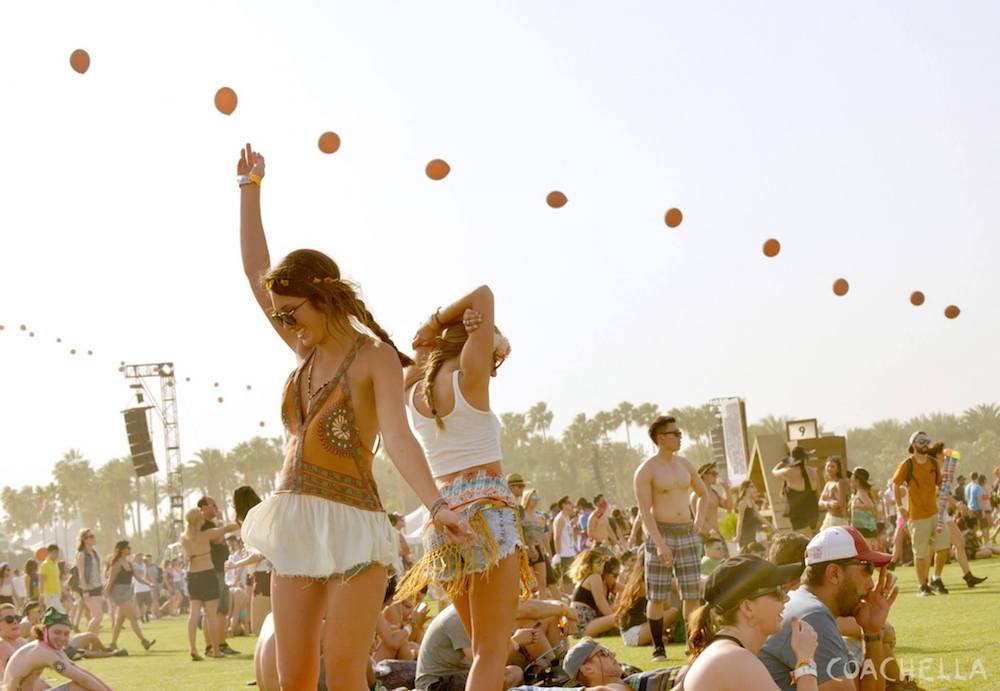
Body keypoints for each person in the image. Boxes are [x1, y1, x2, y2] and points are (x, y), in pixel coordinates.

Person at [236, 143, 469, 691]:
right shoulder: (303, 349)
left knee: (343, 675)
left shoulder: (374, 358)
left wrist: (436, 504)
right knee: (293, 679)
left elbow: (399, 436)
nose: (288, 325)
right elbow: (255, 271)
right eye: (283, 317)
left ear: (324, 299)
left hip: (356, 526)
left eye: (294, 312)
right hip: (295, 520)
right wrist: (249, 190)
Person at [397, 283, 533, 691]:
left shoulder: (411, 391)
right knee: (494, 650)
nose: (492, 367)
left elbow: (424, 350)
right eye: (494, 356)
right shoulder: (468, 377)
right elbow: (486, 293)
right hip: (487, 513)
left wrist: (437, 327)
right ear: (475, 345)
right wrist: (439, 322)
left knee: (482, 648)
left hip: (443, 520)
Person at [758, 526, 898, 690]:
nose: (871, 584)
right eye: (866, 569)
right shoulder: (813, 616)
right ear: (834, 574)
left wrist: (872, 632)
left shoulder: (812, 607)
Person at [634, 415, 709, 662]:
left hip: (686, 532)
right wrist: (659, 543)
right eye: (674, 433)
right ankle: (658, 648)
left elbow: (703, 493)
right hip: (660, 532)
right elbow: (644, 512)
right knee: (657, 595)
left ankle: (692, 644)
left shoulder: (685, 464)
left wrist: (698, 520)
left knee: (691, 593)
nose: (679, 437)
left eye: (679, 433)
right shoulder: (647, 470)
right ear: (660, 438)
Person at [680, 555, 815, 690]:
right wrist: (805, 661)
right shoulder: (735, 660)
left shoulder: (727, 652)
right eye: (777, 592)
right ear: (747, 608)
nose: (786, 598)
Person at [891, 433, 955, 595]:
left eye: (927, 441)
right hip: (917, 516)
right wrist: (899, 507)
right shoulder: (907, 464)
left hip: (935, 513)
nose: (926, 444)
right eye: (921, 441)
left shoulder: (933, 463)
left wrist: (949, 496)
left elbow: (941, 484)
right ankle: (921, 586)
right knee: (920, 553)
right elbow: (895, 483)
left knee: (944, 547)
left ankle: (935, 578)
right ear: (913, 445)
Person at [413, 604, 525, 691]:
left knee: (513, 672)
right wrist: (515, 641)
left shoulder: (464, 613)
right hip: (435, 684)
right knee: (512, 675)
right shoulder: (458, 618)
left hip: (449, 676)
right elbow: (483, 663)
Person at [1, 607, 112, 691]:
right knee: (77, 687)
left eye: (66, 633)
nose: (62, 638)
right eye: (57, 632)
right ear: (44, 631)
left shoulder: (49, 647)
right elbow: (83, 680)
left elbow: (80, 672)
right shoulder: (44, 651)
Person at [181, 508, 239, 660]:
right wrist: (242, 522)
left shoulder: (184, 538)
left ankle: (193, 649)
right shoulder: (205, 535)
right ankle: (216, 651)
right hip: (207, 575)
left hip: (192, 576)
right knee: (211, 615)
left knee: (193, 614)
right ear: (199, 520)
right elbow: (226, 529)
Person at [103, 540, 155, 652]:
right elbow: (110, 581)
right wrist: (105, 595)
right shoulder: (116, 564)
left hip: (127, 592)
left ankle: (112, 644)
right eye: (127, 548)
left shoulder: (130, 564)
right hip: (118, 593)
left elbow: (139, 578)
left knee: (119, 621)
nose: (129, 549)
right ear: (122, 550)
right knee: (133, 617)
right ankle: (144, 641)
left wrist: (149, 583)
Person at [568, 552, 620, 638]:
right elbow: (600, 602)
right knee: (618, 618)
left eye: (602, 562)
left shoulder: (583, 578)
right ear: (588, 565)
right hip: (584, 622)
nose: (601, 565)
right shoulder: (594, 577)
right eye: (598, 562)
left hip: (578, 624)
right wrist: (613, 619)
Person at [772, 448, 820, 537]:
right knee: (813, 538)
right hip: (813, 510)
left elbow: (774, 471)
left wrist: (783, 462)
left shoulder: (788, 472)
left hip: (798, 513)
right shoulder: (813, 471)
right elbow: (818, 492)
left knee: (806, 541)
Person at [692, 462, 733, 555]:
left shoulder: (714, 493)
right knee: (706, 566)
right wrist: (712, 532)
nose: (716, 476)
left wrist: (727, 489)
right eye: (713, 474)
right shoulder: (696, 494)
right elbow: (698, 518)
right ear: (704, 475)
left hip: (716, 534)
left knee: (725, 564)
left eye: (716, 474)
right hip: (703, 537)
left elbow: (729, 506)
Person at [521, 489, 553, 599]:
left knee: (542, 582)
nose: (536, 501)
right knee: (530, 585)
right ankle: (530, 605)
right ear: (527, 499)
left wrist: (549, 552)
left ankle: (542, 604)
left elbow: (544, 536)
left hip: (539, 549)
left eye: (537, 498)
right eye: (533, 498)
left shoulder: (540, 516)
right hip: (526, 550)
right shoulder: (521, 515)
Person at [74, 530, 104, 635]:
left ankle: (94, 644)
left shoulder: (94, 553)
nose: (93, 538)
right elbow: (81, 574)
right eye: (91, 536)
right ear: (84, 539)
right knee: (98, 616)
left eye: (93, 536)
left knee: (97, 618)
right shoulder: (81, 554)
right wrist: (85, 590)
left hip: (97, 587)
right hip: (88, 588)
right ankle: (85, 640)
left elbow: (97, 571)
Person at [849, 468, 884, 550]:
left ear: (858, 481)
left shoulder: (861, 492)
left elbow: (870, 505)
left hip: (864, 526)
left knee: (866, 546)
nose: (850, 480)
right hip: (859, 525)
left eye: (852, 478)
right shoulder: (857, 492)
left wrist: (856, 506)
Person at [736, 481, 774, 552]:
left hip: (752, 530)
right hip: (745, 532)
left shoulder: (751, 501)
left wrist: (771, 526)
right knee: (747, 553)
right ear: (745, 488)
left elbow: (758, 516)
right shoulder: (742, 502)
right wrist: (738, 535)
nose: (754, 488)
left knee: (754, 551)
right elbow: (739, 520)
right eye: (752, 486)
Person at [552, 497, 578, 595]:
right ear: (563, 505)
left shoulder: (566, 518)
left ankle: (568, 597)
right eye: (569, 503)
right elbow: (557, 537)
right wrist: (558, 554)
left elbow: (569, 536)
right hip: (564, 554)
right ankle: (568, 598)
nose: (571, 505)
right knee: (567, 580)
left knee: (571, 579)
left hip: (569, 552)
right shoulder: (560, 519)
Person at [818, 456, 851, 531]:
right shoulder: (828, 484)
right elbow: (820, 502)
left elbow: (840, 504)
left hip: (839, 519)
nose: (829, 468)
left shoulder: (840, 483)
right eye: (828, 466)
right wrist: (829, 504)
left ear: (838, 469)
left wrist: (827, 503)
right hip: (829, 517)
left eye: (832, 466)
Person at [38, 546, 63, 614]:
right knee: (59, 614)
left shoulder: (55, 564)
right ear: (49, 553)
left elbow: (57, 579)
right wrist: (42, 594)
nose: (56, 555)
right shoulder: (45, 565)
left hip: (56, 594)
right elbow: (42, 580)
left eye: (57, 553)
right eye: (54, 553)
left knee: (54, 616)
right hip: (49, 595)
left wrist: (62, 591)